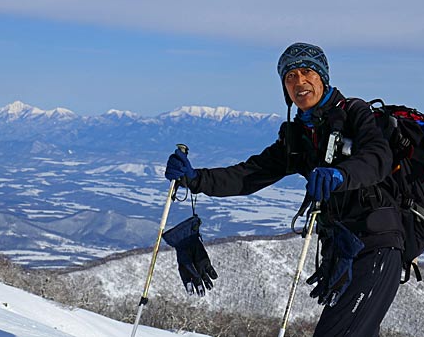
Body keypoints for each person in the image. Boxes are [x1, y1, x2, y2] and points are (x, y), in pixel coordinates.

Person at [165, 42, 404, 337]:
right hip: (342, 250)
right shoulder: (298, 135)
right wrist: (196, 178)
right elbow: (249, 174)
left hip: (377, 243)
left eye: (307, 72)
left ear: (323, 77)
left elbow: (377, 158)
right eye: (290, 76)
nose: (299, 82)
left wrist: (341, 174)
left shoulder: (356, 112)